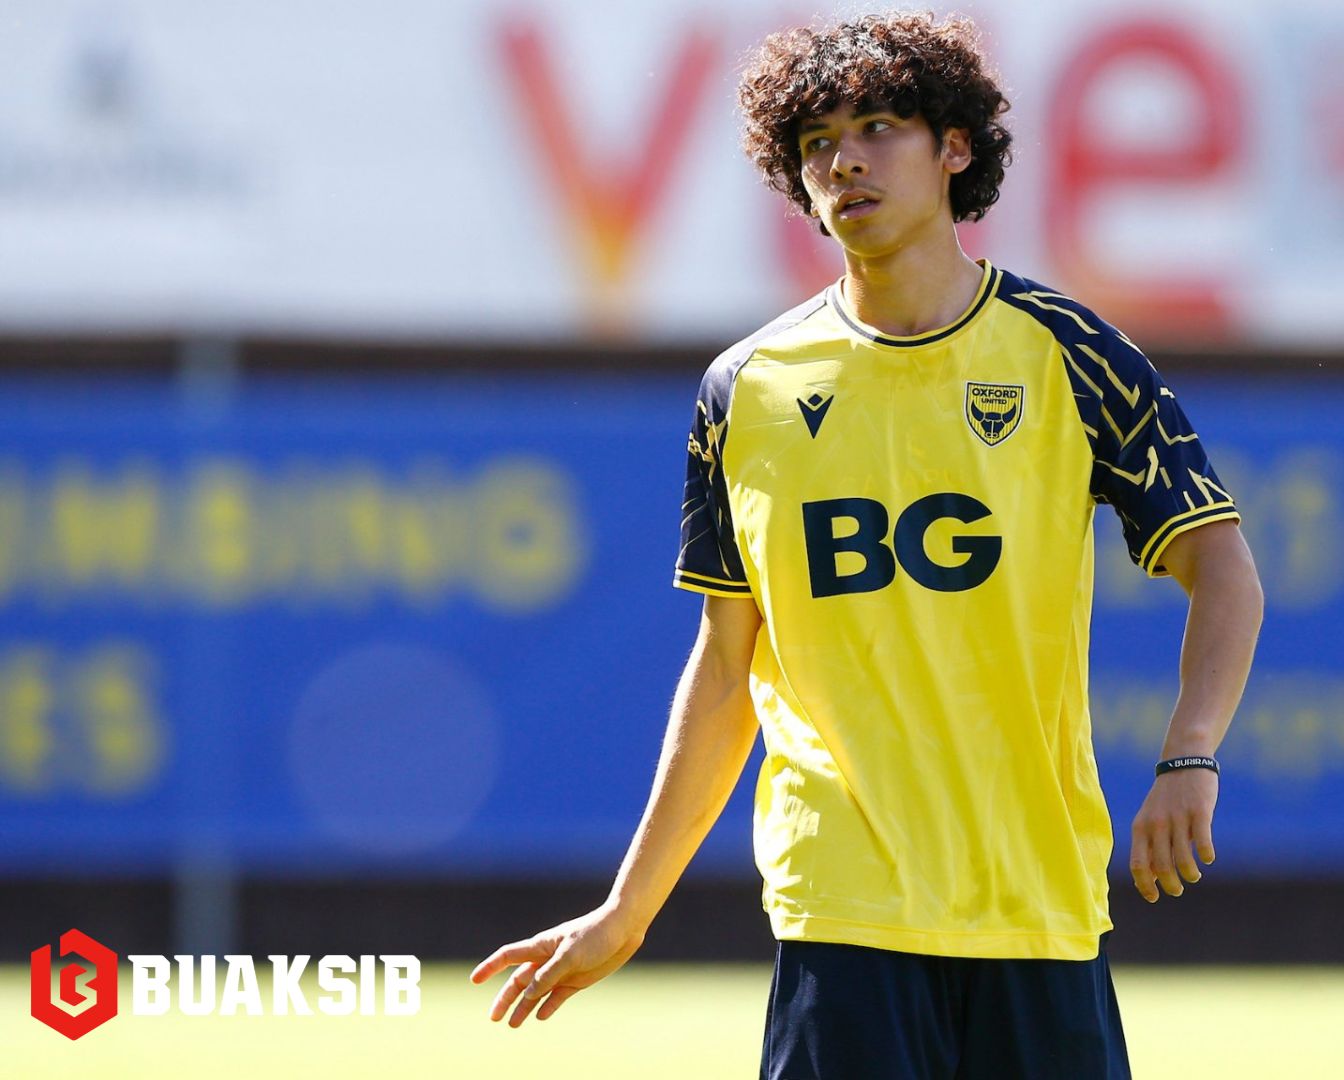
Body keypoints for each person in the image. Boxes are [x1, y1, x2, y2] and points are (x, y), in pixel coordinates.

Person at [471, 13, 1263, 1078]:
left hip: (1033, 904)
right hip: (840, 915)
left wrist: (1191, 750)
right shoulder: (745, 389)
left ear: (955, 147)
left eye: (879, 127)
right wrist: (629, 910)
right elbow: (727, 663)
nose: (844, 161)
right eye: (816, 144)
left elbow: (1222, 566)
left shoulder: (1069, 353)